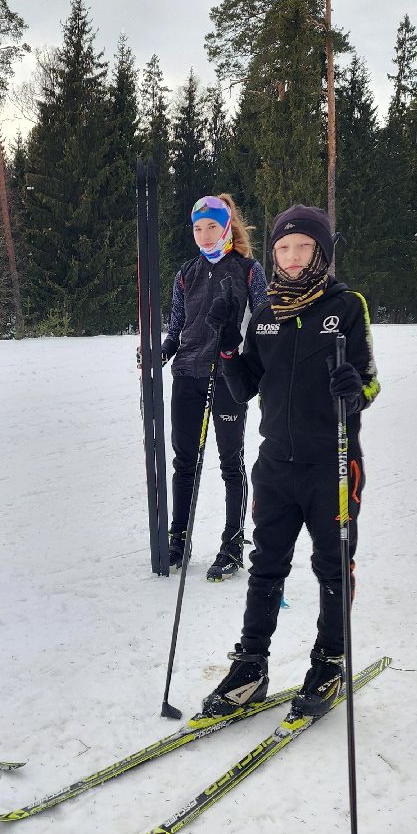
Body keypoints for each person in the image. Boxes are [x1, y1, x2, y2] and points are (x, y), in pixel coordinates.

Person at [198, 204, 380, 720]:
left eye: (303, 247)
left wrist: (354, 391)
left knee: (331, 567)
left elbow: (369, 381)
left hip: (333, 464)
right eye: (283, 248)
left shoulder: (346, 306)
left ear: (320, 251)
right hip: (275, 464)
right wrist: (229, 350)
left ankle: (329, 661)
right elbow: (244, 389)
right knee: (266, 566)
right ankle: (251, 665)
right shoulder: (267, 311)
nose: (293, 257)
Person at [161, 194, 267, 580]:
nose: (204, 235)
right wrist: (161, 351)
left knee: (229, 462)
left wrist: (245, 357)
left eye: (211, 227)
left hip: (227, 376)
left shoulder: (248, 270)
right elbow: (176, 328)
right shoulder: (185, 273)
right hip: (188, 374)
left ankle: (232, 543)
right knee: (184, 461)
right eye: (197, 228)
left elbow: (264, 322)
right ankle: (178, 537)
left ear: (226, 228)